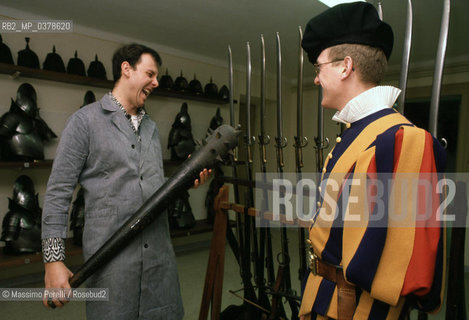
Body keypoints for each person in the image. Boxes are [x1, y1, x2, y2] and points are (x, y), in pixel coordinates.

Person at [41, 43, 210, 319]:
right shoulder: (84, 122)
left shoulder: (152, 129)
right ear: (126, 69)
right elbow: (58, 192)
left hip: (159, 260)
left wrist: (185, 181)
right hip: (112, 265)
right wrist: (53, 260)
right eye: (151, 74)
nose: (156, 82)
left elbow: (151, 186)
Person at [299, 2, 446, 320]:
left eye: (318, 68)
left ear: (345, 66)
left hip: (357, 309)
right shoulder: (358, 133)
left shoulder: (400, 139)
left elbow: (400, 258)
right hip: (326, 298)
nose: (315, 79)